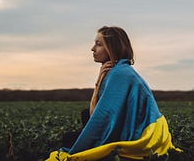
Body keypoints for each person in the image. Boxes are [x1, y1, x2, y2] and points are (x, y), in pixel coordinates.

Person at [46, 26, 181, 160]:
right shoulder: (118, 70)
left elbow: (100, 116)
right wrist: (99, 80)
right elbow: (96, 112)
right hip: (141, 128)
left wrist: (83, 145)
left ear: (112, 48)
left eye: (99, 45)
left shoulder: (119, 74)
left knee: (69, 139)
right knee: (82, 117)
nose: (93, 49)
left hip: (145, 134)